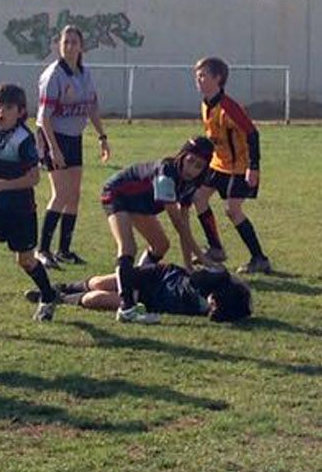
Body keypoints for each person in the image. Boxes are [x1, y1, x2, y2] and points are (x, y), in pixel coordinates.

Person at [0, 83, 62, 335]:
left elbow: (33, 178)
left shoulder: (25, 140)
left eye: (8, 107)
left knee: (26, 261)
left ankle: (48, 296)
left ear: (20, 112)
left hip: (20, 209)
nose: (0, 112)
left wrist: (1, 185)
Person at [35, 24, 112, 267]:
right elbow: (44, 117)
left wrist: (102, 137)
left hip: (73, 138)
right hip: (53, 136)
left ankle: (64, 250)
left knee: (74, 195)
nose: (69, 46)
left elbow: (91, 108)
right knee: (61, 194)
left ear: (81, 47)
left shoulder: (84, 74)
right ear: (59, 46)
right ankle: (42, 250)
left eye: (74, 42)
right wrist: (53, 149)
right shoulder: (54, 75)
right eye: (65, 42)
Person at [195, 56, 272, 274]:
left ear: (217, 78)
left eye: (203, 75)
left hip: (239, 167)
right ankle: (216, 248)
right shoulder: (205, 104)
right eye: (197, 76)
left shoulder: (229, 107)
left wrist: (253, 167)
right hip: (218, 164)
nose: (198, 80)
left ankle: (259, 258)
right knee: (199, 198)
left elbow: (252, 133)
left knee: (232, 210)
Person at [100, 138, 216, 276]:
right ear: (182, 156)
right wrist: (202, 258)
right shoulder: (166, 174)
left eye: (198, 166)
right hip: (117, 194)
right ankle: (125, 295)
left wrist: (189, 266)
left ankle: (137, 280)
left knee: (161, 245)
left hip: (140, 204)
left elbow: (185, 224)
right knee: (128, 247)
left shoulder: (191, 183)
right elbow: (178, 224)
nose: (191, 169)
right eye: (190, 161)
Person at [50, 261, 253, 325]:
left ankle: (60, 298)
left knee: (96, 299)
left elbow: (244, 310)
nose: (210, 304)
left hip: (151, 299)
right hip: (159, 276)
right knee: (100, 282)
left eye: (213, 306)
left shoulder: (216, 312)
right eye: (213, 301)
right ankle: (63, 287)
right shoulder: (213, 280)